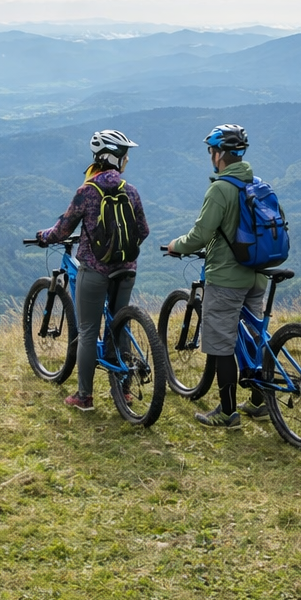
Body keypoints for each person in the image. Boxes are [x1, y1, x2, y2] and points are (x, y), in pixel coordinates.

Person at [35, 129, 150, 411]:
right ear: (116, 159)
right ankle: (123, 392)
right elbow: (143, 231)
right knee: (119, 324)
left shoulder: (87, 192)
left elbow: (62, 230)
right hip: (126, 271)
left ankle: (84, 396)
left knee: (87, 330)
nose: (126, 161)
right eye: (125, 156)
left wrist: (43, 236)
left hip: (95, 271)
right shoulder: (130, 190)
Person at [165, 123, 270, 428]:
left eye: (212, 150)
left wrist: (176, 246)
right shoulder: (257, 184)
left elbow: (200, 235)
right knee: (254, 338)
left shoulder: (221, 189)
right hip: (257, 275)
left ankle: (227, 412)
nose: (211, 155)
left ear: (220, 154)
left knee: (221, 343)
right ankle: (259, 402)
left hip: (227, 278)